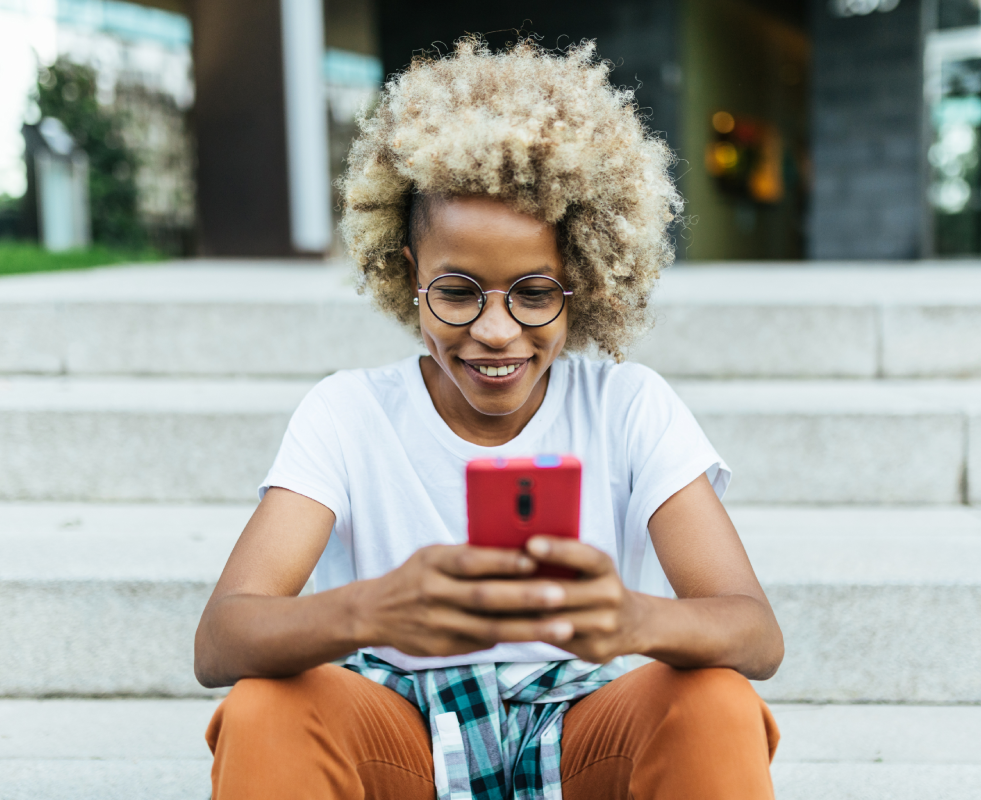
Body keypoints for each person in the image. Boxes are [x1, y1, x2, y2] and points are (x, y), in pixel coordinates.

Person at [195, 36, 784, 800]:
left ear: (584, 277)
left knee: (716, 700)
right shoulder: (348, 413)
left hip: (579, 726)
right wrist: (375, 608)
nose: (497, 332)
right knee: (265, 706)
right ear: (409, 273)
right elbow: (220, 641)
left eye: (535, 293)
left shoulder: (627, 406)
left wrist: (632, 619)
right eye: (458, 291)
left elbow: (755, 634)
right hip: (400, 729)